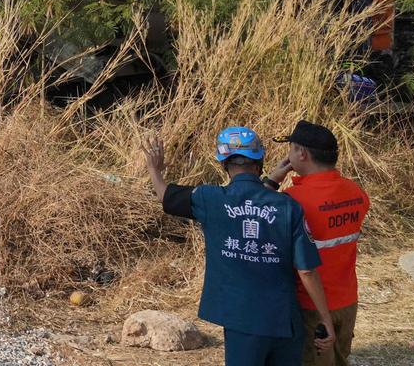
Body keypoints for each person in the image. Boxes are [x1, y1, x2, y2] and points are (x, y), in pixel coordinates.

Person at [144, 129, 337, 366]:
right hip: (284, 319)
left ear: (224, 163)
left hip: (241, 321)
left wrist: (154, 169)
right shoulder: (289, 206)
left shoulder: (209, 199)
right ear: (259, 163)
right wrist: (325, 318)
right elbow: (306, 270)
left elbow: (166, 196)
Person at [267, 121, 369, 366]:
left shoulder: (292, 201)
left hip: (310, 305)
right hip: (347, 300)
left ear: (301, 153)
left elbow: (253, 213)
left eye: (291, 149)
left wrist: (272, 180)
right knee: (339, 359)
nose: (288, 155)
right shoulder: (356, 193)